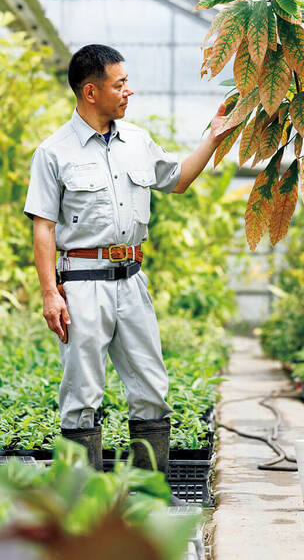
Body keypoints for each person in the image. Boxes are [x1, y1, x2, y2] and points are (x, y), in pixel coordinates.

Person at [23, 44, 229, 502]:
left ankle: (148, 492)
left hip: (132, 280)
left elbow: (178, 179)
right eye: (119, 84)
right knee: (82, 393)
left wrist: (214, 137)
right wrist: (49, 294)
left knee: (151, 387)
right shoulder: (53, 153)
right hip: (80, 283)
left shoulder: (136, 140)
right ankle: (82, 499)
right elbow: (43, 228)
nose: (128, 91)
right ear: (91, 91)